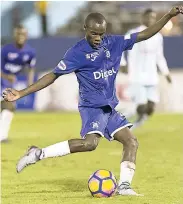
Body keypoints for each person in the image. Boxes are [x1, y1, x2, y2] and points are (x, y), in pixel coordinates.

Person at [3, 7, 183, 196]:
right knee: (90, 144)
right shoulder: (77, 52)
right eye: (94, 34)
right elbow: (52, 75)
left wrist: (169, 15)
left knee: (131, 141)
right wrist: (21, 93)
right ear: (85, 29)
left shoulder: (114, 43)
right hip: (91, 106)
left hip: (108, 106)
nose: (98, 38)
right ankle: (38, 153)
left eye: (101, 34)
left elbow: (145, 34)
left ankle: (124, 186)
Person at [120, 9, 172, 129]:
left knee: (150, 109)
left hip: (152, 76)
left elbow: (159, 57)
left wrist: (166, 73)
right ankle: (119, 123)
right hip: (137, 76)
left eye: (153, 18)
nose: (150, 20)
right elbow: (120, 47)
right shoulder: (133, 33)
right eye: (148, 17)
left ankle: (130, 125)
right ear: (142, 18)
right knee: (141, 107)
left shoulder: (158, 36)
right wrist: (123, 63)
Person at [0, 24, 36, 142]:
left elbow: (31, 68)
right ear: (15, 35)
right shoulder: (5, 50)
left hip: (8, 84)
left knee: (8, 108)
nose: (21, 36)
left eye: (23, 34)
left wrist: (30, 84)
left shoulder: (30, 52)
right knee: (9, 107)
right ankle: (2, 136)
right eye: (18, 34)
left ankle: (2, 136)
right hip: (2, 81)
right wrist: (6, 76)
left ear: (26, 36)